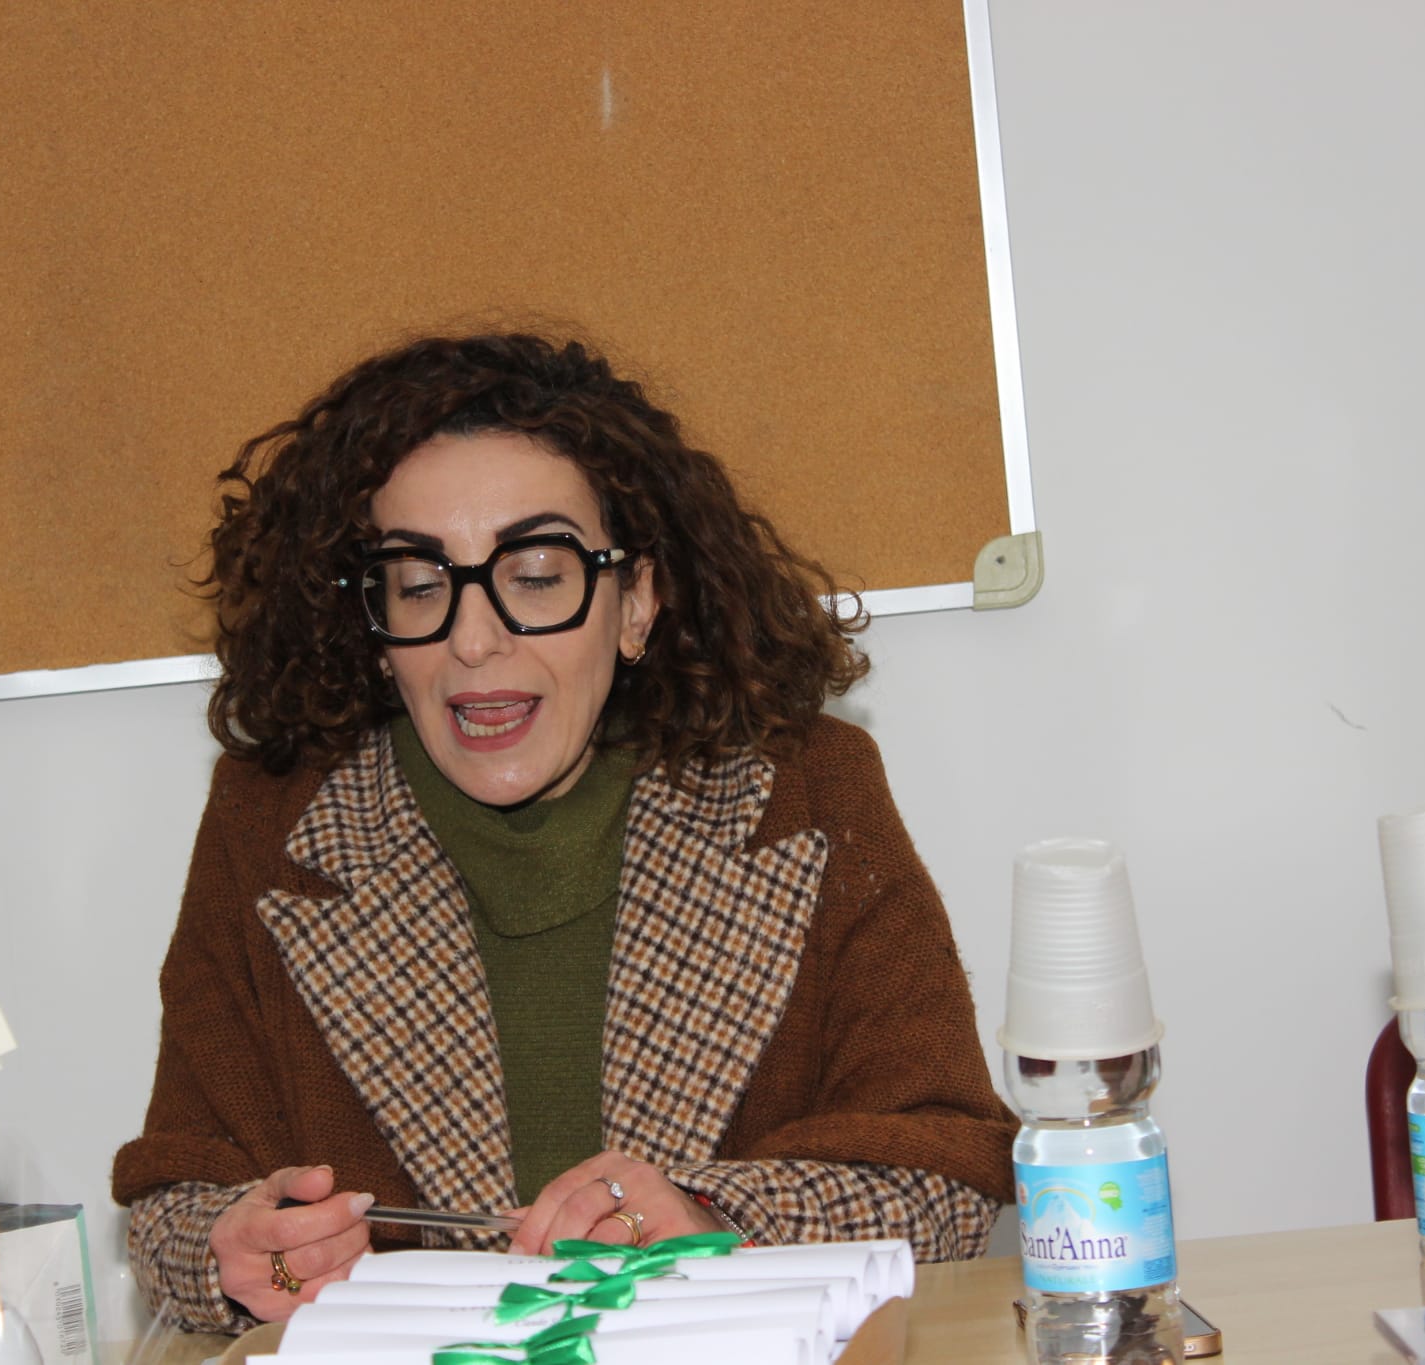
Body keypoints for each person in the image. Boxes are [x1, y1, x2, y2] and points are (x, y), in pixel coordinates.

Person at [111, 333, 1014, 1332]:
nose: (472, 639)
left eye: (536, 575)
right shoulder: (269, 827)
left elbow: (948, 1183)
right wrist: (230, 1249)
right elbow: (171, 1208)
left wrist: (715, 1218)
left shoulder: (805, 790)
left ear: (636, 603)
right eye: (419, 584)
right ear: (373, 633)